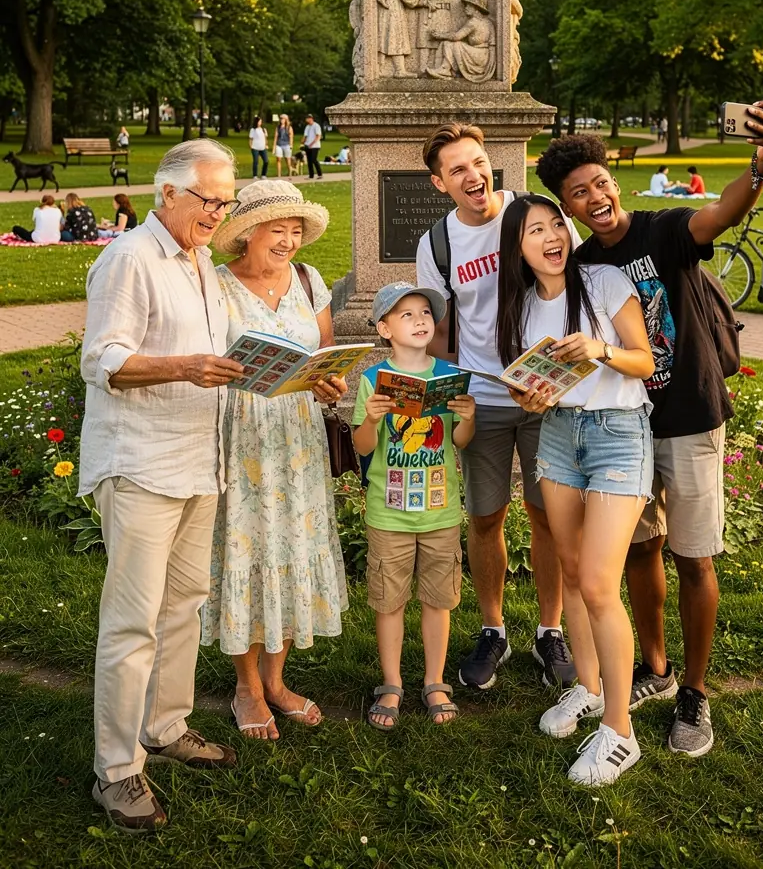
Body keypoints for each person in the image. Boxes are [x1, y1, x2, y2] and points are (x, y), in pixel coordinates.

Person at [535, 101, 763, 758]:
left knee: (693, 557)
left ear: (612, 181)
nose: (593, 197)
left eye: (598, 183)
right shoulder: (585, 264)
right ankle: (657, 668)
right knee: (642, 552)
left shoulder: (664, 231)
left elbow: (721, 212)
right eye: (576, 193)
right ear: (566, 205)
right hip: (625, 429)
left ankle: (695, 695)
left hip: (688, 418)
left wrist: (760, 167)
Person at [78, 140, 246, 832]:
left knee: (185, 605)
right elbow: (102, 359)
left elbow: (221, 358)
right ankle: (116, 772)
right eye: (209, 199)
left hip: (197, 462)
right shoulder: (129, 258)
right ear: (167, 193)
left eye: (226, 200)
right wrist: (185, 366)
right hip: (142, 464)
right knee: (132, 621)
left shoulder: (200, 260)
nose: (219, 212)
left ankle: (166, 726)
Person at [497, 195, 654, 785]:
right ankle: (588, 689)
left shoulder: (604, 281)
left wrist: (599, 349)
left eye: (555, 225)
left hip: (619, 434)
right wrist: (528, 396)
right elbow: (531, 382)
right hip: (558, 434)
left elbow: (642, 360)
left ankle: (619, 732)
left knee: (595, 582)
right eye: (535, 231)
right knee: (567, 566)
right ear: (518, 247)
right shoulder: (520, 306)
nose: (551, 237)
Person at [416, 123, 575, 691]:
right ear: (440, 183)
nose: (473, 176)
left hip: (543, 392)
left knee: (547, 515)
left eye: (478, 163)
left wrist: (559, 372)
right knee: (486, 517)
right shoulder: (437, 244)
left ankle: (551, 630)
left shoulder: (535, 214)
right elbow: (435, 328)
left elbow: (574, 285)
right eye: (457, 169)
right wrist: (436, 375)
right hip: (480, 398)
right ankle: (493, 629)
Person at [201, 181, 349, 740]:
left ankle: (277, 679)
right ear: (247, 233)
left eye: (295, 231)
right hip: (242, 436)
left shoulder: (310, 282)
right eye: (277, 230)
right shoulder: (215, 286)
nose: (289, 241)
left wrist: (328, 384)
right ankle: (246, 687)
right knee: (248, 545)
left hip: (298, 438)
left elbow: (323, 355)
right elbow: (206, 359)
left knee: (292, 544)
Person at [352, 283, 476, 730]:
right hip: (389, 513)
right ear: (385, 328)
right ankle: (391, 682)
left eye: (425, 312)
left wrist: (467, 418)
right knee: (389, 601)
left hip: (440, 511)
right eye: (406, 315)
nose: (421, 320)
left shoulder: (448, 375)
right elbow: (362, 447)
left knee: (438, 600)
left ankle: (434, 680)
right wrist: (370, 418)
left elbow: (461, 443)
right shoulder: (372, 381)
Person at [302, 115, 323, 179]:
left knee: (314, 159)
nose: (306, 120)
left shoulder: (316, 126)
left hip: (315, 146)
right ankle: (311, 175)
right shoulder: (307, 127)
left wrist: (312, 144)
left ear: (311, 118)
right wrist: (303, 142)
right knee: (309, 161)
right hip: (308, 146)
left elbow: (318, 136)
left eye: (307, 118)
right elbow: (305, 136)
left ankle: (320, 174)